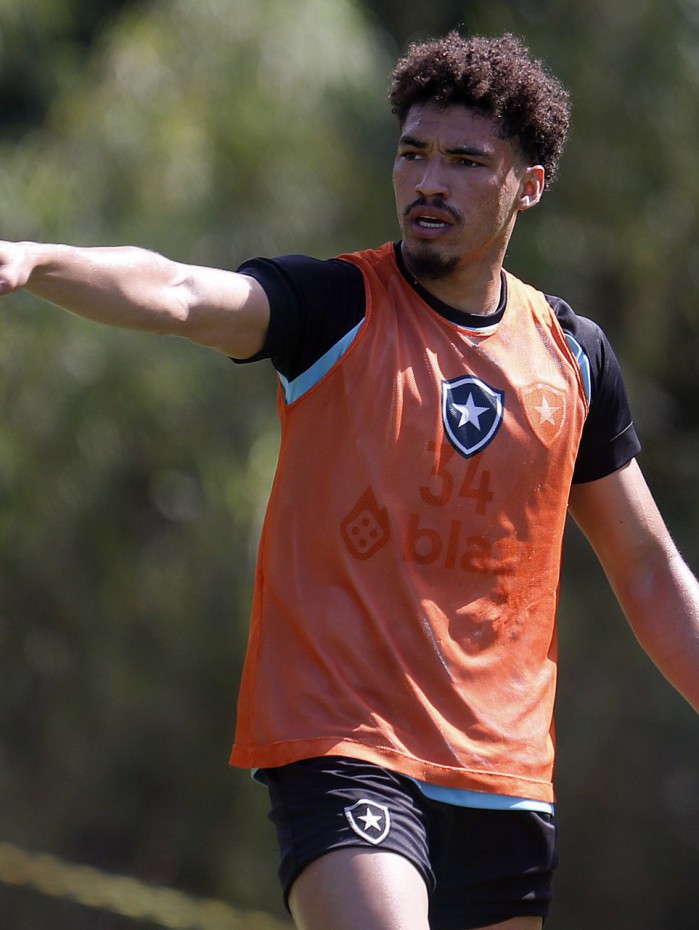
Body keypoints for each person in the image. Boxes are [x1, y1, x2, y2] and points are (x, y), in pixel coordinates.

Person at [1, 30, 697, 930]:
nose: (427, 182)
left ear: (529, 182)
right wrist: (35, 259)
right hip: (344, 747)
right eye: (411, 154)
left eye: (462, 161)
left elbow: (646, 569)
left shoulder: (572, 358)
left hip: (503, 775)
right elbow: (179, 292)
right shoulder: (335, 308)